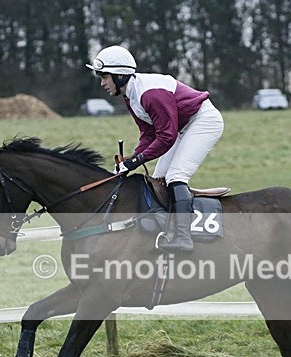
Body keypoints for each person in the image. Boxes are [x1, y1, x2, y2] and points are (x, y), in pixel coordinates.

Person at [86, 45, 224, 253]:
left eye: (105, 76)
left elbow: (166, 137)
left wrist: (135, 161)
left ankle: (183, 238)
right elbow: (149, 135)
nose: (102, 83)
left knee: (176, 176)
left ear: (120, 76)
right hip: (180, 128)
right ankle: (163, 232)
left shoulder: (149, 94)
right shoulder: (130, 96)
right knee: (158, 180)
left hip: (203, 121)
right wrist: (129, 162)